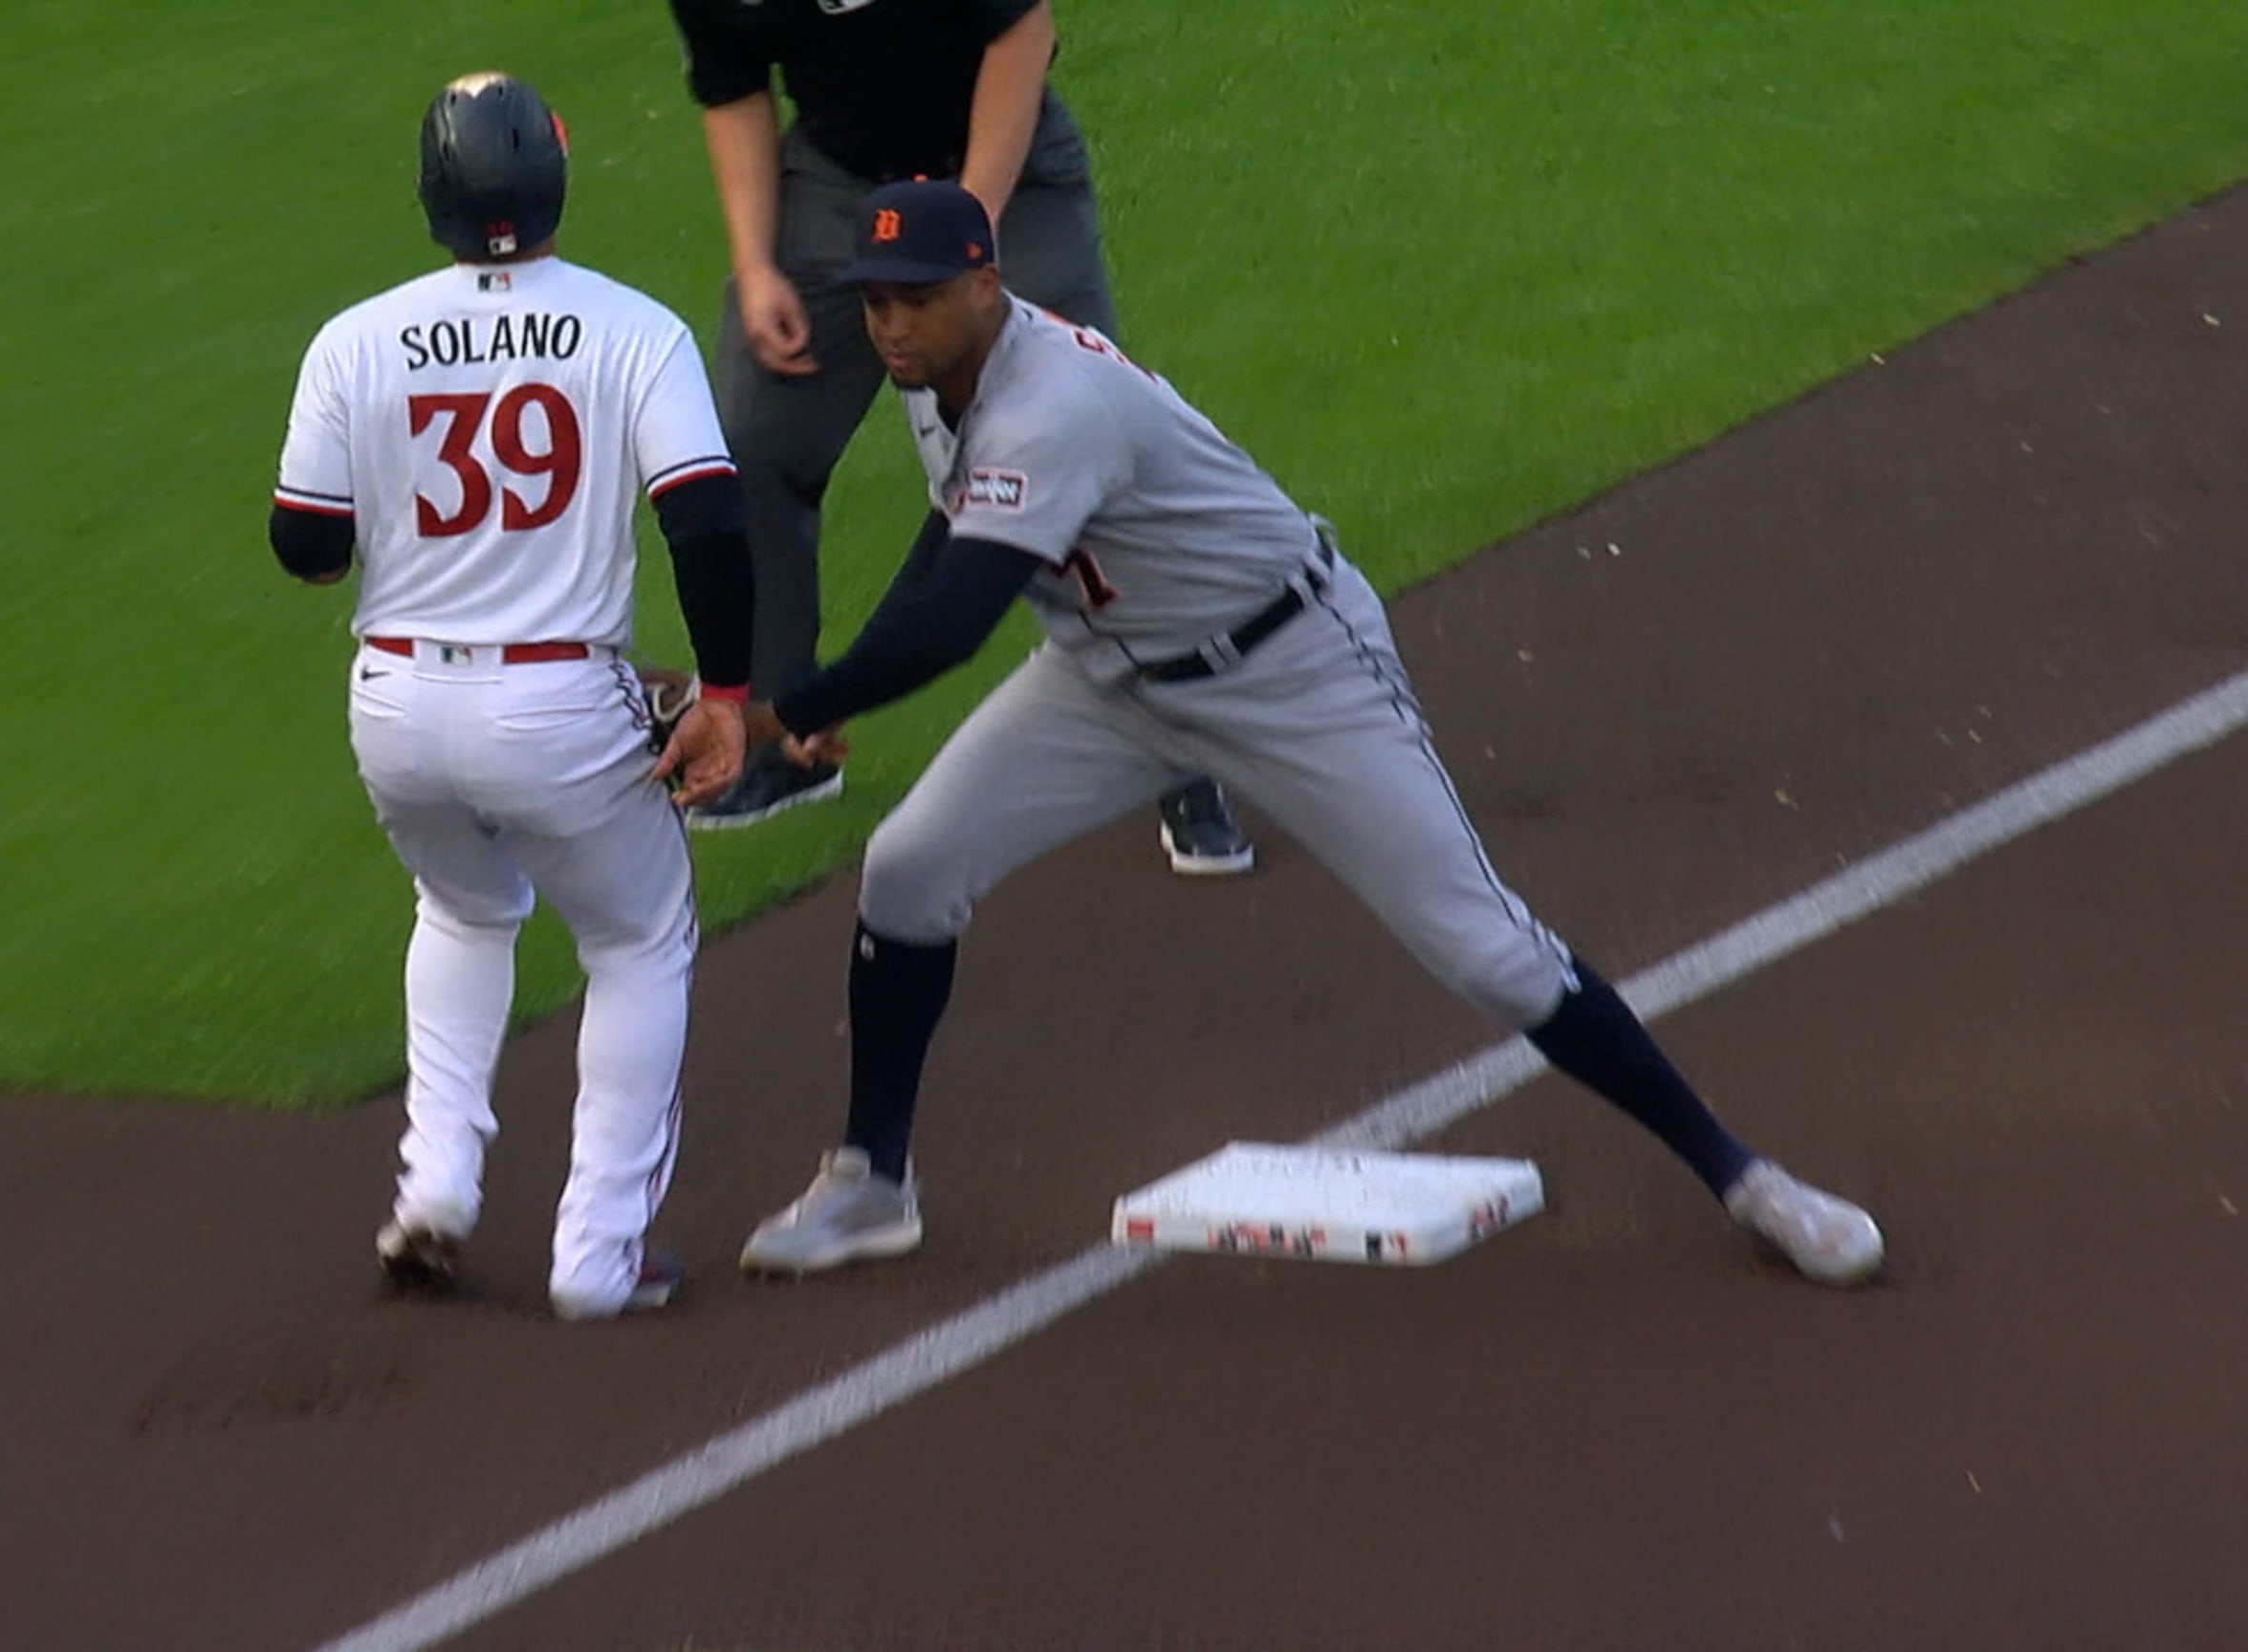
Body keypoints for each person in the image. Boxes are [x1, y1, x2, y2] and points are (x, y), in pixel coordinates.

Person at [731, 181, 1888, 1288]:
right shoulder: (941, 376)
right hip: (1111, 681)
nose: (892, 326)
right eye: (878, 301)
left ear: (986, 286)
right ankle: (871, 1181)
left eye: (917, 298)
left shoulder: (1052, 404)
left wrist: (793, 709)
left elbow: (954, 623)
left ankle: (1746, 1179)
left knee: (1485, 948)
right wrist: (822, 704)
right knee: (910, 866)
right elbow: (946, 543)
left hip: (1290, 668)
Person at [269, 73, 756, 1321]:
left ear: (431, 192)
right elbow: (705, 523)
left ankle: (434, 1185)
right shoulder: (633, 330)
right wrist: (726, 694)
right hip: (558, 709)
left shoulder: (354, 339)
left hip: (396, 705)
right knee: (639, 939)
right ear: (556, 172)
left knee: (464, 906)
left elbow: (308, 546)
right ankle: (599, 1252)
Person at [666, 0, 1255, 875]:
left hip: (993, 167)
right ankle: (775, 730)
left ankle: (1181, 751)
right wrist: (756, 266)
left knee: (1088, 454)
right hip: (838, 185)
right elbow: (733, 87)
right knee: (751, 440)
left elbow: (1022, 31)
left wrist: (962, 235)